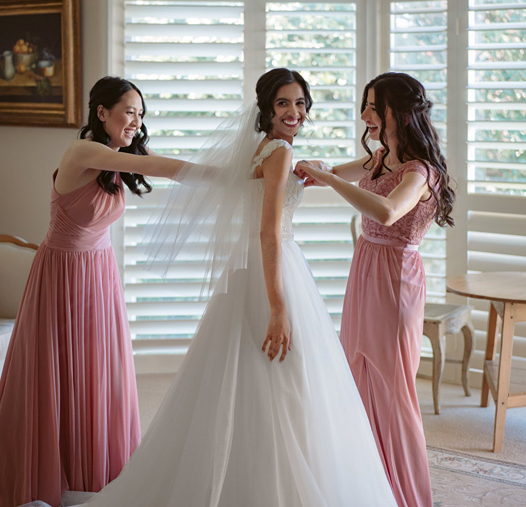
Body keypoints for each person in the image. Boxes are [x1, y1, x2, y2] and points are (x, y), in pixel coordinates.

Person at [56, 68, 396, 507]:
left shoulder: (267, 150)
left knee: (252, 379)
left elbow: (358, 168)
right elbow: (269, 233)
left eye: (300, 103)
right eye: (283, 104)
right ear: (266, 109)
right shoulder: (278, 154)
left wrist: (356, 160)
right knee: (284, 380)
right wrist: (278, 307)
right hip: (274, 270)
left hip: (252, 271)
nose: (294, 112)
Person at [0, 76, 188, 507]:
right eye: (129, 111)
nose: (136, 121)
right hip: (62, 273)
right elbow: (161, 167)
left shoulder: (116, 158)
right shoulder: (84, 151)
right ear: (102, 112)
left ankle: (95, 480)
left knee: (98, 374)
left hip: (99, 273)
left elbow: (148, 166)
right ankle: (47, 480)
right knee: (57, 376)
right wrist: (233, 173)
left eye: (141, 113)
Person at [295, 71, 455, 507]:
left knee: (393, 386)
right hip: (365, 269)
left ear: (397, 114)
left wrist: (329, 180)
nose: (364, 114)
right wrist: (311, 169)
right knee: (357, 374)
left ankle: (408, 493)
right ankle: (367, 483)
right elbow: (334, 170)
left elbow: (386, 212)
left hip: (396, 278)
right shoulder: (380, 157)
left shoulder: (419, 171)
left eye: (372, 106)